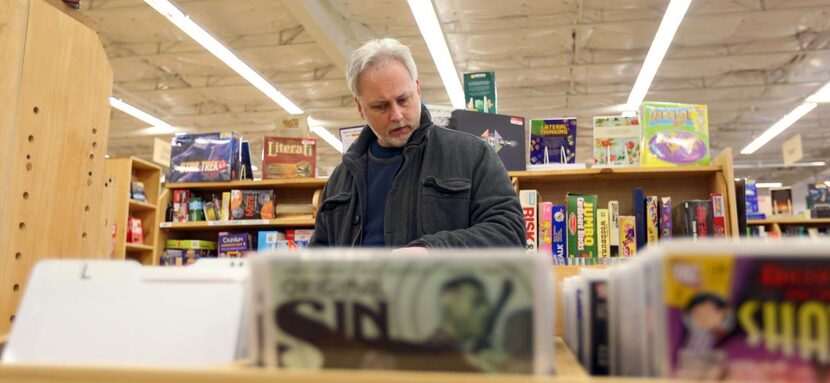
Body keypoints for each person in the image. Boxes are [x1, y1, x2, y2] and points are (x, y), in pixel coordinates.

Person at [310, 37, 525, 248]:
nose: (396, 115)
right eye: (380, 106)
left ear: (418, 90)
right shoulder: (341, 179)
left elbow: (509, 232)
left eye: (404, 100)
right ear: (359, 107)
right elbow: (317, 263)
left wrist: (432, 252)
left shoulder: (473, 155)